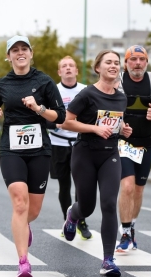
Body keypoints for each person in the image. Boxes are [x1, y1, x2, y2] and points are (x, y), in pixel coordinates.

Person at [0, 35, 65, 277]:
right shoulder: (1, 84)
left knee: (33, 209)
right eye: (14, 50)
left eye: (24, 49)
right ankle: (23, 262)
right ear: (8, 56)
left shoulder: (44, 82)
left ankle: (24, 226)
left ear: (31, 53)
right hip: (11, 149)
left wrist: (38, 108)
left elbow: (59, 117)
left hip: (40, 150)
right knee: (20, 202)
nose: (20, 53)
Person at [61, 50, 132, 277]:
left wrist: (124, 130)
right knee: (87, 207)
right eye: (108, 62)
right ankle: (73, 215)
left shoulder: (122, 97)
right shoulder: (86, 94)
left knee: (110, 204)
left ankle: (108, 260)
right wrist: (94, 128)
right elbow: (66, 122)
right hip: (84, 154)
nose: (113, 66)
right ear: (97, 67)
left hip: (110, 154)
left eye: (117, 63)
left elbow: (116, 125)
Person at [114, 45, 151, 252]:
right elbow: (104, 105)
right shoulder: (118, 80)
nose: (137, 63)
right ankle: (123, 233)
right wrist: (117, 124)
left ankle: (131, 227)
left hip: (147, 143)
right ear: (126, 62)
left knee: (139, 190)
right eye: (133, 59)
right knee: (128, 187)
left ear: (146, 62)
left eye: (141, 59)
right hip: (123, 144)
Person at [47, 56, 92, 240]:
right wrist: (55, 124)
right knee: (64, 186)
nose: (67, 68)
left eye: (71, 65)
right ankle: (68, 221)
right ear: (59, 72)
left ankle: (80, 221)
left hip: (80, 143)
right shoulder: (52, 91)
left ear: (76, 70)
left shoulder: (86, 91)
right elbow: (44, 117)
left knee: (81, 186)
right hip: (58, 144)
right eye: (63, 66)